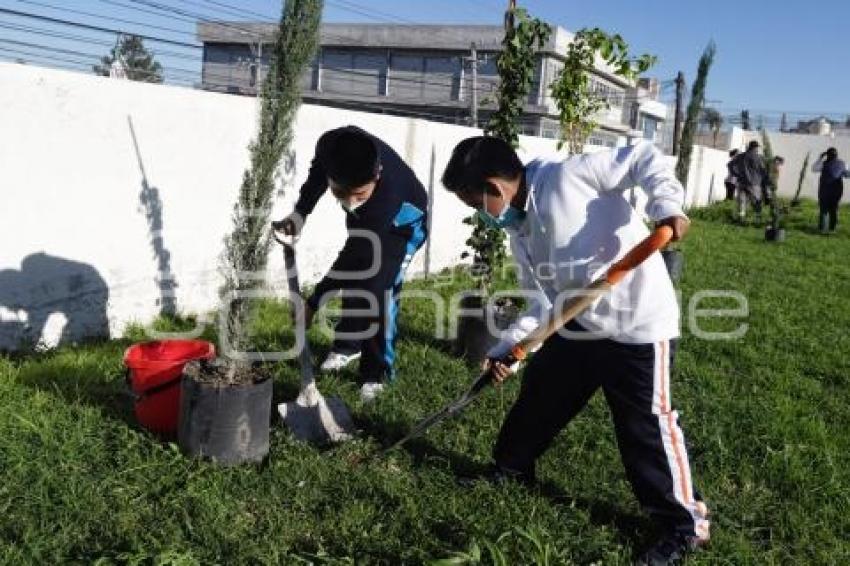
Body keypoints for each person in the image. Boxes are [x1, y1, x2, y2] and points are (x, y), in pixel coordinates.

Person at [441, 137, 710, 565]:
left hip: (637, 326)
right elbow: (541, 304)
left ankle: (684, 525)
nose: (479, 214)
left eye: (476, 203)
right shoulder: (521, 232)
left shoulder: (571, 176)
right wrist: (508, 348)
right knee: (540, 398)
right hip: (578, 325)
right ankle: (511, 470)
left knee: (644, 428)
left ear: (496, 187)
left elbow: (642, 157)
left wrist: (667, 206)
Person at [273, 126, 428, 401]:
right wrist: (300, 214)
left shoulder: (384, 201)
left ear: (377, 175)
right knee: (359, 281)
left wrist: (314, 302)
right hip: (371, 219)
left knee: (377, 289)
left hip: (403, 221)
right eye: (341, 194)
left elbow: (355, 256)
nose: (350, 203)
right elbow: (318, 175)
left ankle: (376, 372)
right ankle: (348, 346)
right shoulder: (331, 146)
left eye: (359, 195)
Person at [731, 140, 772, 221]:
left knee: (741, 201)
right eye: (757, 148)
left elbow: (730, 165)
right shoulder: (758, 157)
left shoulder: (740, 156)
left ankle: (741, 217)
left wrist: (735, 174)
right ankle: (757, 218)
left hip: (741, 182)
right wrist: (767, 180)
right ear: (755, 147)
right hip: (754, 183)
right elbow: (763, 170)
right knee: (756, 201)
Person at [812, 147, 850, 233]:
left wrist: (820, 158)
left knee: (824, 210)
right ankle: (832, 228)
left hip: (824, 191)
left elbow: (814, 169)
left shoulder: (823, 164)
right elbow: (847, 175)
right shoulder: (842, 163)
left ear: (827, 155)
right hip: (837, 191)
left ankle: (822, 228)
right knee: (834, 209)